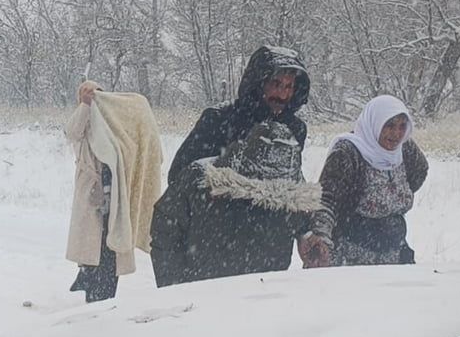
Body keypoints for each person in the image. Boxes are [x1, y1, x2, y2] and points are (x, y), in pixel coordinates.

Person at [150, 121, 323, 287]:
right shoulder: (199, 179)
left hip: (262, 295)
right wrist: (174, 285)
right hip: (200, 295)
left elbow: (297, 217)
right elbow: (164, 229)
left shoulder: (289, 190)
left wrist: (305, 235)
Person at [300, 95, 429, 267]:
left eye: (402, 126)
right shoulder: (347, 153)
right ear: (375, 123)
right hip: (349, 255)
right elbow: (326, 201)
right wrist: (321, 238)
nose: (397, 133)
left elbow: (420, 171)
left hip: (394, 254)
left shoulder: (406, 149)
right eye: (389, 125)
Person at [64, 80, 163, 301]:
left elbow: (132, 146)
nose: (94, 98)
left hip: (116, 195)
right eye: (88, 94)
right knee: (93, 246)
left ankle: (103, 290)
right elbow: (72, 133)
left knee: (110, 245)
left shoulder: (112, 125)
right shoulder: (82, 120)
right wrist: (85, 105)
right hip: (91, 195)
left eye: (97, 95)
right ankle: (90, 283)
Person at [167, 45, 311, 185]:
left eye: (289, 86)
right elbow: (179, 177)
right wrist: (227, 170)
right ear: (258, 83)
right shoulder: (218, 119)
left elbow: (292, 180)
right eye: (275, 83)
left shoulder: (295, 128)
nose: (282, 94)